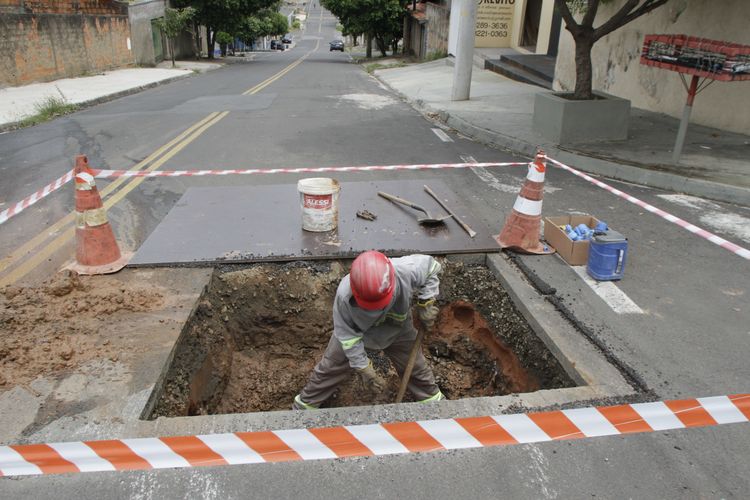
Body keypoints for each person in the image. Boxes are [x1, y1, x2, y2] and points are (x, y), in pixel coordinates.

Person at [293, 251, 445, 409]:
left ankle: (436, 407)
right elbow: (348, 338)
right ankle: (302, 410)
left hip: (397, 327)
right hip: (356, 332)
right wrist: (364, 368)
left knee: (416, 368)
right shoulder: (344, 296)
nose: (376, 311)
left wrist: (426, 302)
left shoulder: (405, 270)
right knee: (330, 368)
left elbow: (432, 267)